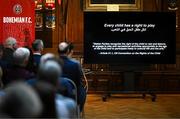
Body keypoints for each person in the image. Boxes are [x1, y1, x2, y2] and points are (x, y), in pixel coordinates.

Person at [58, 42, 86, 112]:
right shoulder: (75, 64)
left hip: (55, 92)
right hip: (72, 93)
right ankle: (78, 110)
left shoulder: (52, 62)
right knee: (82, 89)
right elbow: (78, 81)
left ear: (58, 51)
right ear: (68, 51)